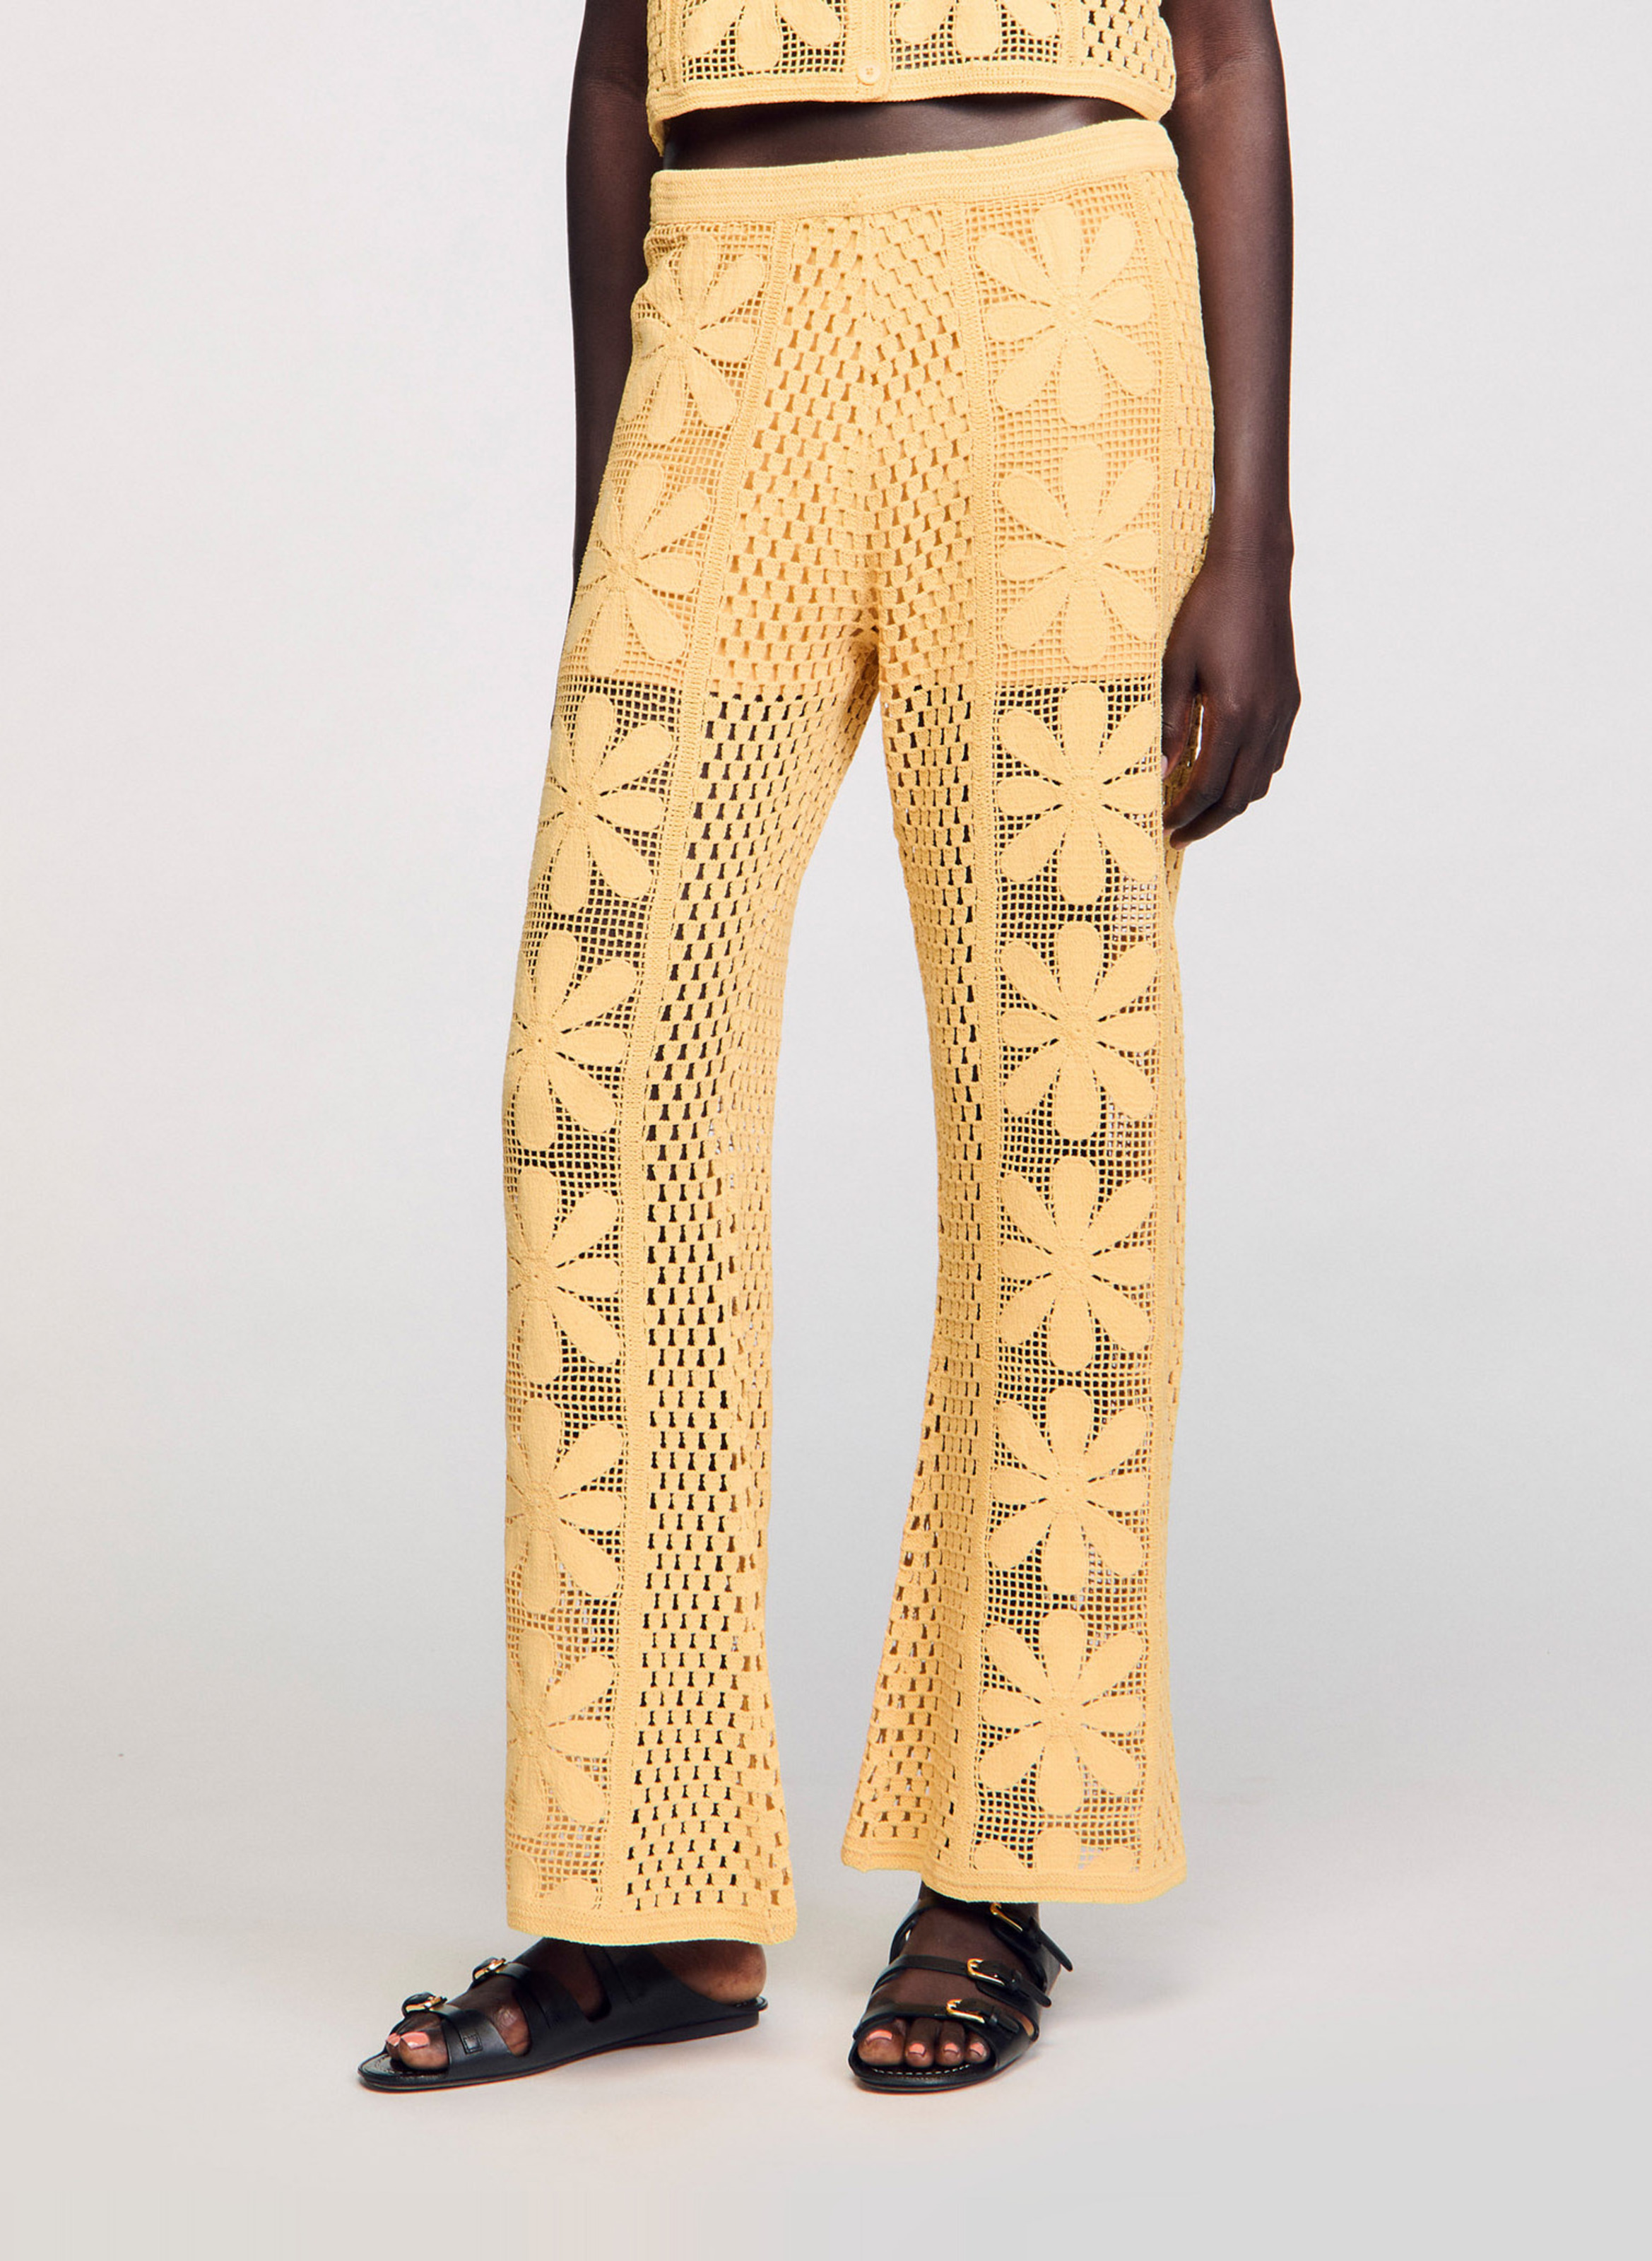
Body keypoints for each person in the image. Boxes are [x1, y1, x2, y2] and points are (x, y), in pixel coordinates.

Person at [358, 0, 1298, 2095]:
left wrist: (1252, 542)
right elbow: (618, 75)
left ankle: (997, 1859)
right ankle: (646, 1895)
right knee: (602, 1091)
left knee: (1060, 1102)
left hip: (1062, 313)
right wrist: (617, 498)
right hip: (723, 324)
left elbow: (1227, 55)